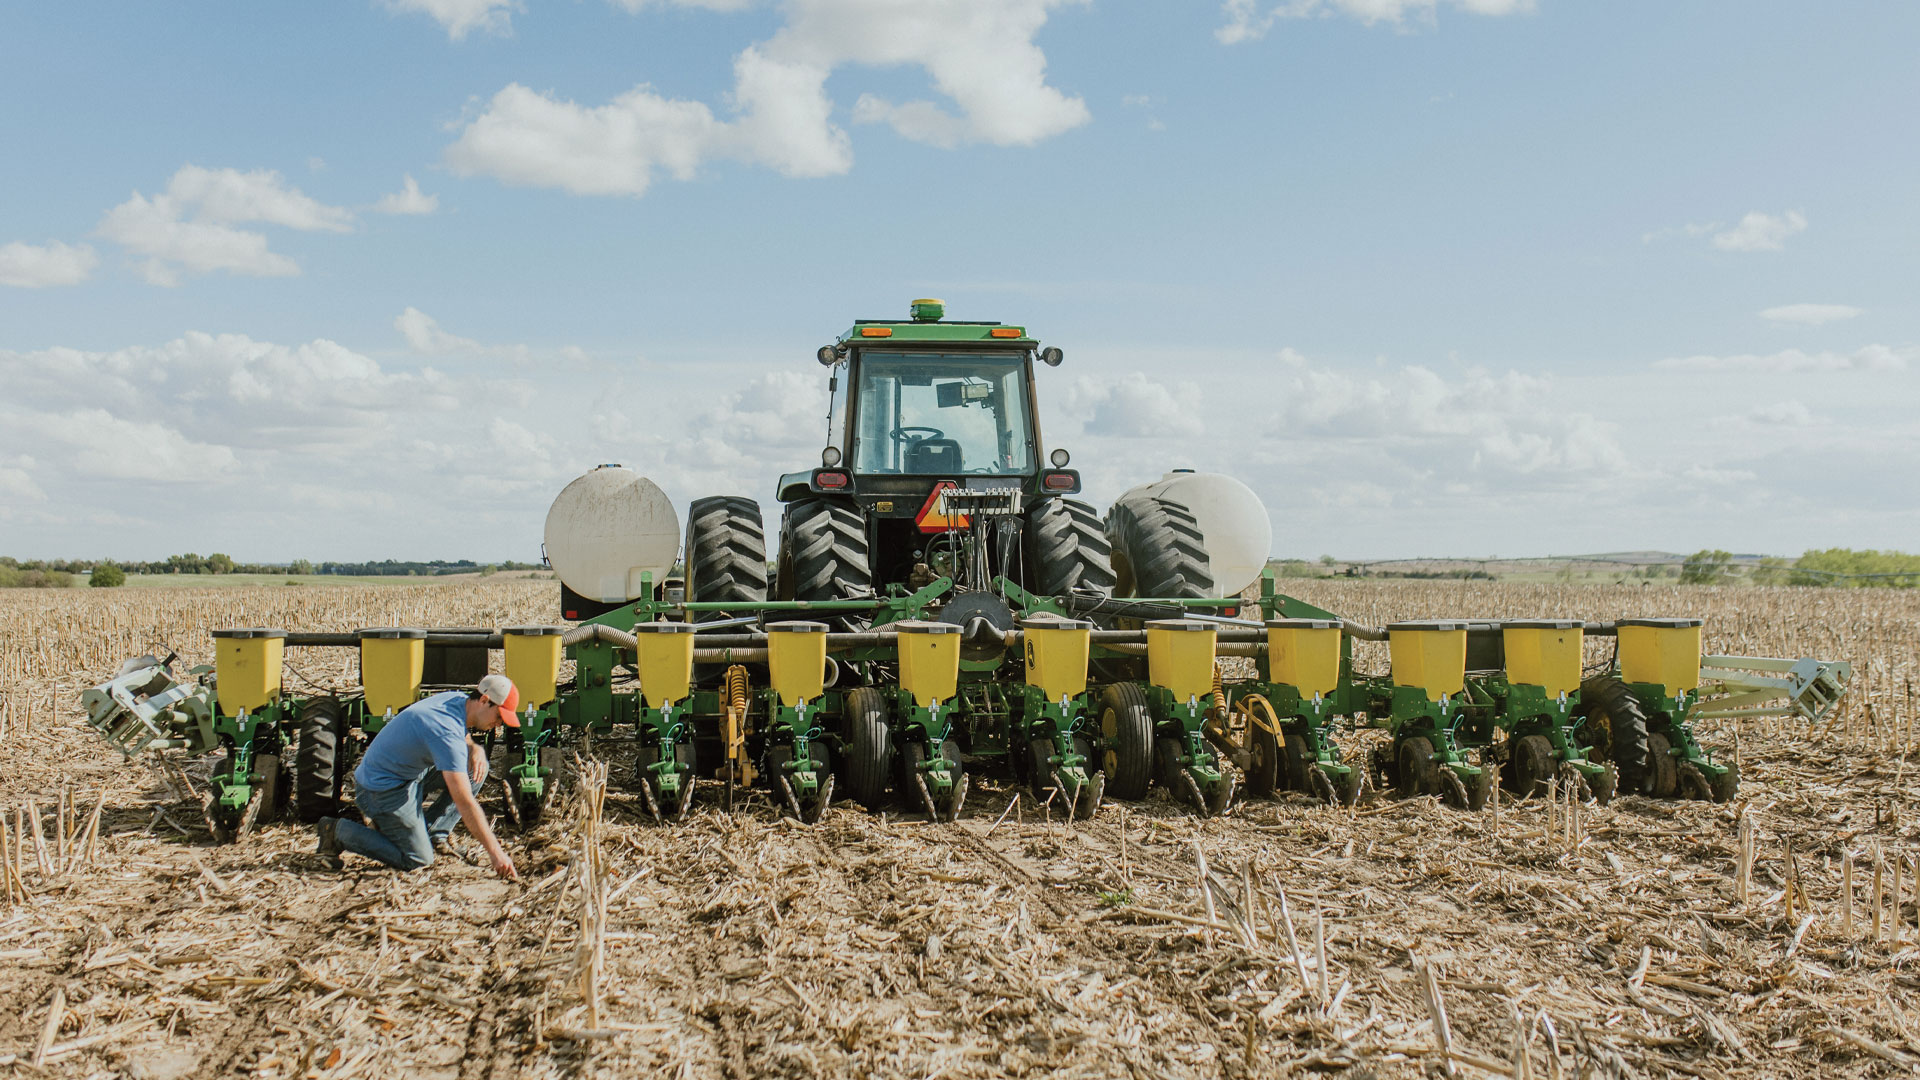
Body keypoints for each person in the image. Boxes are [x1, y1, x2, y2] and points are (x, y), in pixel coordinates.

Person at [316, 674, 520, 879]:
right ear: (484, 700)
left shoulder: (457, 700)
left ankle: (433, 833)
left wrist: (472, 747)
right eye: (499, 717)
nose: (499, 724)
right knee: (419, 859)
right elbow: (464, 801)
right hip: (380, 791)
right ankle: (337, 832)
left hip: (402, 774)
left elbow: (461, 733)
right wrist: (496, 853)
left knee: (474, 771)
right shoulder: (446, 731)